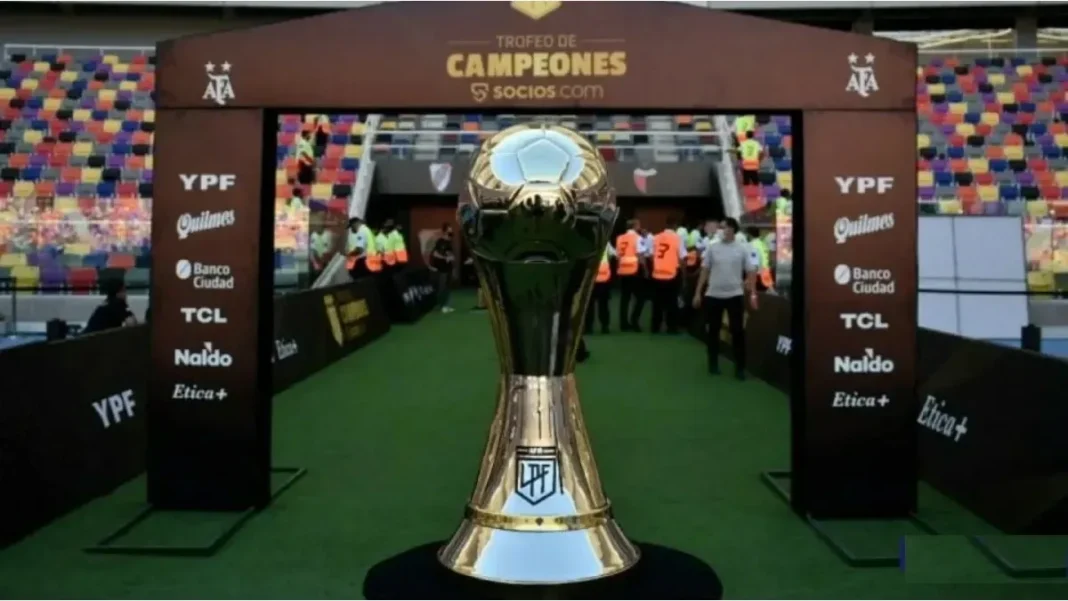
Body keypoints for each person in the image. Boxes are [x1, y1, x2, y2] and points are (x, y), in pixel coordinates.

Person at [692, 218, 758, 380]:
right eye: (720, 228)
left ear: (732, 229)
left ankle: (740, 368)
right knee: (713, 331)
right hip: (713, 295)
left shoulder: (742, 248)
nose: (721, 230)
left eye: (724, 227)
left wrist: (752, 292)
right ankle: (713, 363)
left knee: (738, 332)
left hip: (735, 295)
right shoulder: (712, 247)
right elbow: (705, 270)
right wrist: (698, 292)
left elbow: (750, 270)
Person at [650, 219, 686, 334]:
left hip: (657, 273)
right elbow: (682, 258)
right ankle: (671, 327)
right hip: (671, 274)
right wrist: (684, 274)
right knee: (672, 302)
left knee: (657, 302)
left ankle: (655, 326)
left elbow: (651, 255)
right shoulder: (677, 238)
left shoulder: (656, 237)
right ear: (675, 225)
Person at [614, 219, 644, 331]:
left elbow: (618, 255)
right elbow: (640, 255)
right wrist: (645, 269)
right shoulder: (637, 238)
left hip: (623, 270)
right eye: (638, 225)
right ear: (635, 226)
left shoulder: (620, 238)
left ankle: (623, 323)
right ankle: (634, 321)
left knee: (625, 298)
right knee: (640, 297)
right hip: (634, 270)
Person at [586, 242, 615, 334]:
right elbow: (613, 254)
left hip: (592, 279)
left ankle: (589, 327)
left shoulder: (588, 242)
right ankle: (604, 326)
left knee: (590, 304)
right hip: (603, 278)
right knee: (603, 304)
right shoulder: (605, 243)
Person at [429, 235, 455, 313]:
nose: (450, 236)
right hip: (441, 270)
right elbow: (435, 254)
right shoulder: (439, 243)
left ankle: (446, 305)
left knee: (447, 288)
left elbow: (451, 255)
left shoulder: (449, 244)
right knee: (441, 287)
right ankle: (440, 305)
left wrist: (450, 257)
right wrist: (445, 258)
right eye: (449, 234)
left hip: (448, 269)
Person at [746, 226, 774, 292]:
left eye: (747, 234)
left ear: (749, 235)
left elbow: (754, 260)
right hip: (765, 271)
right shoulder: (762, 243)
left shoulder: (752, 245)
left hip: (758, 273)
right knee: (769, 290)